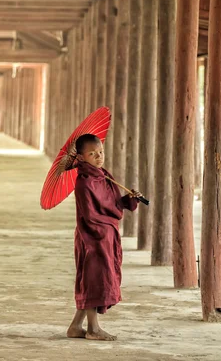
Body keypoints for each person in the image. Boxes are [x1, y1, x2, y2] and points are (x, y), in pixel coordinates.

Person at [60, 134, 142, 341]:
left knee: (94, 279)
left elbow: (113, 203)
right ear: (81, 157)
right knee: (94, 280)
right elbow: (89, 215)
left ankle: (75, 326)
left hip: (106, 235)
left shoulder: (103, 175)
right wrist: (103, 231)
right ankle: (93, 329)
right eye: (92, 154)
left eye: (101, 152)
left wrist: (129, 199)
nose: (98, 157)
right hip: (93, 237)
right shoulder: (84, 182)